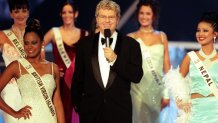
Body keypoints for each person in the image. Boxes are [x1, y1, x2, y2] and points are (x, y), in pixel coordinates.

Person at [71, 0, 143, 123]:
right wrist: (79, 105)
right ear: (97, 19)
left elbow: (136, 75)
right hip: (90, 113)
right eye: (103, 16)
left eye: (111, 17)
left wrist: (115, 60)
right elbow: (78, 79)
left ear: (118, 19)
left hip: (119, 113)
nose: (107, 21)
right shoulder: (84, 44)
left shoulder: (131, 45)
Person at [0, 19, 65, 123]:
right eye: (26, 43)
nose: (29, 47)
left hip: (49, 119)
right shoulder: (17, 66)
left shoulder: (53, 68)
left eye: (34, 43)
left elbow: (57, 102)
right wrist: (14, 112)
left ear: (42, 43)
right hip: (27, 119)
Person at [164, 12, 218, 123]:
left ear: (215, 34)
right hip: (195, 112)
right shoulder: (190, 57)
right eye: (198, 30)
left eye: (205, 30)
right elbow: (176, 80)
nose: (200, 34)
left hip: (215, 111)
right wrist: (180, 100)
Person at [43, 1, 88, 123]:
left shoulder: (85, 34)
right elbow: (38, 48)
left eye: (70, 12)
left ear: (76, 14)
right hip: (60, 82)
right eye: (64, 12)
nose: (67, 15)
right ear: (60, 14)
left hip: (79, 83)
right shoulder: (54, 32)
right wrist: (48, 67)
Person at [127, 0, 171, 123]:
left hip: (157, 89)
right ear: (137, 15)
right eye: (141, 13)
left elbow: (167, 66)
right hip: (137, 90)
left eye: (148, 13)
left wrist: (166, 94)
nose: (144, 16)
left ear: (153, 16)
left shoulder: (162, 36)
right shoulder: (130, 38)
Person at [0, 0, 29, 122]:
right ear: (11, 14)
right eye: (16, 11)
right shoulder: (2, 35)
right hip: (10, 90)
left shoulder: (37, 35)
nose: (20, 14)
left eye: (23, 10)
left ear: (28, 12)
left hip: (31, 88)